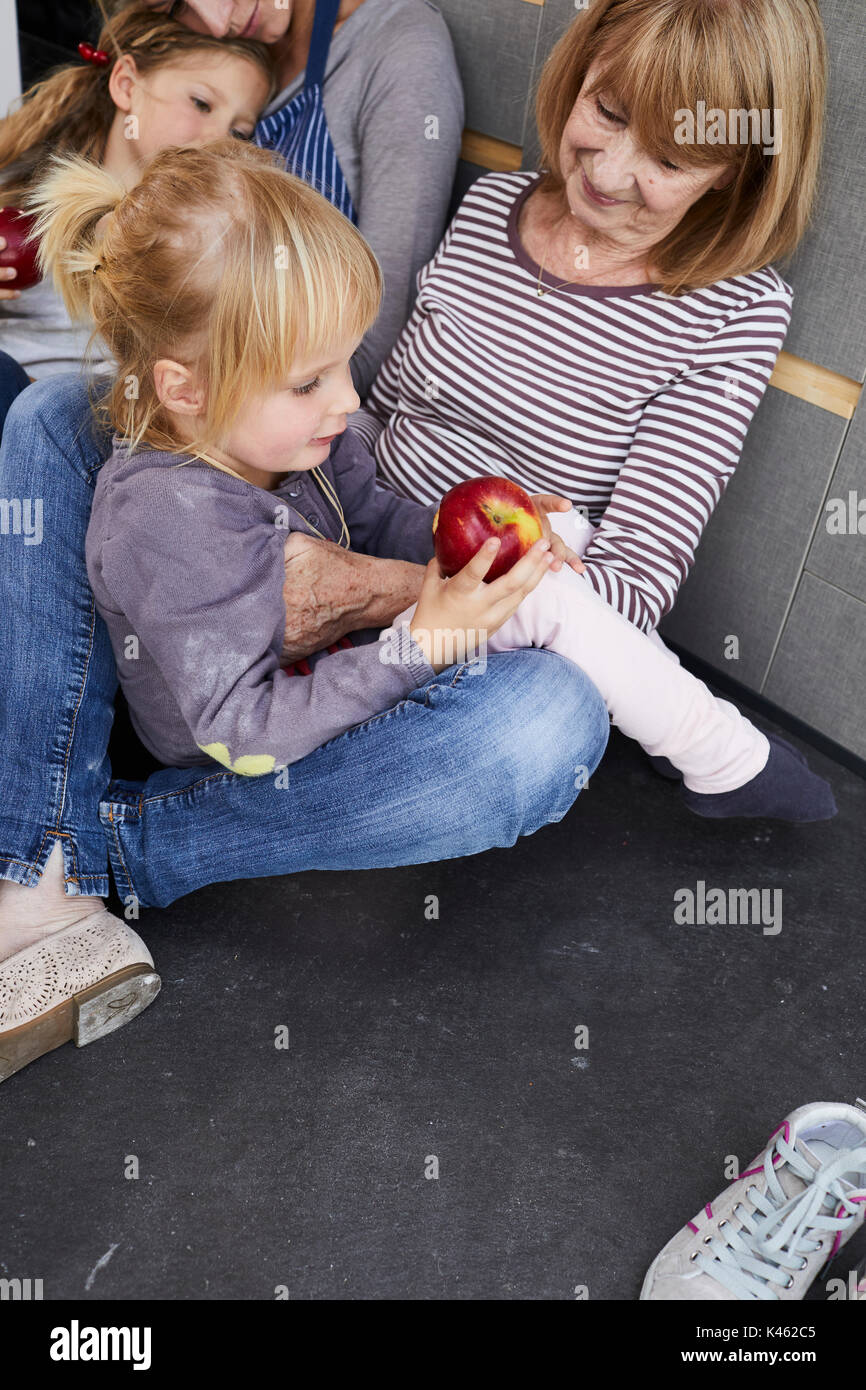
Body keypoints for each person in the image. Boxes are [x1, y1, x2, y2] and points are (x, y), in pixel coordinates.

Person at [148, 0, 465, 395]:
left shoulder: (402, 52)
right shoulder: (229, 46)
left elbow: (373, 345)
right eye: (175, 4)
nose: (215, 21)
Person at [0, 5, 276, 427]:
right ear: (126, 84)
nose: (218, 138)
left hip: (96, 428)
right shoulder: (24, 187)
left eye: (239, 131)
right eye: (201, 103)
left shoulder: (206, 244)